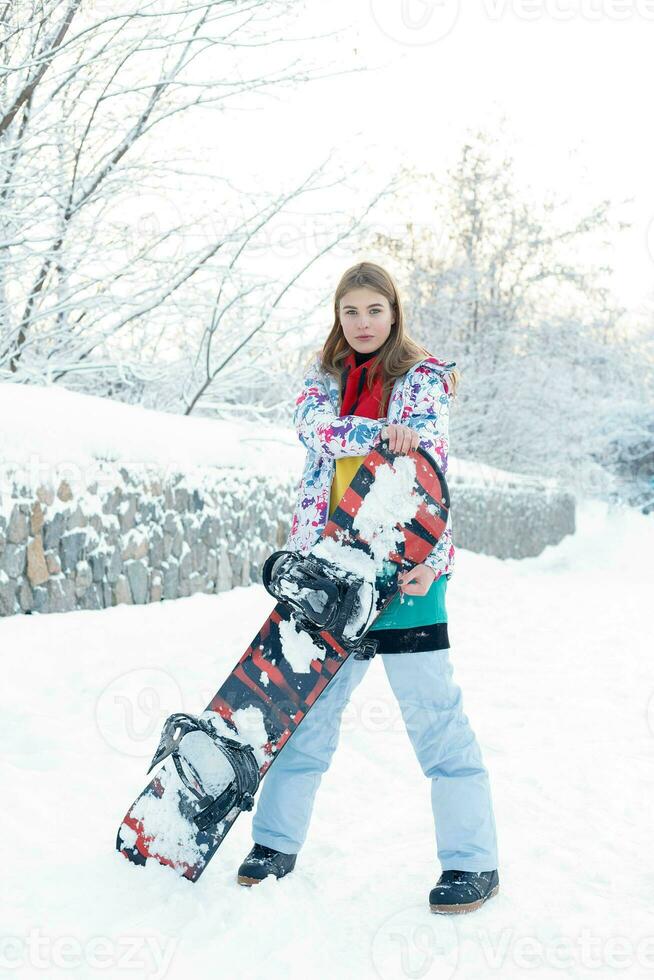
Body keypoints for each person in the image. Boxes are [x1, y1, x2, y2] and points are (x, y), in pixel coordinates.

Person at [237, 261, 500, 914]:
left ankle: (473, 862)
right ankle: (274, 844)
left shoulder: (421, 380)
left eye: (374, 311)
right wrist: (376, 433)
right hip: (329, 574)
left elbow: (433, 468)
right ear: (338, 315)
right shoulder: (321, 378)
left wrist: (433, 558)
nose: (362, 324)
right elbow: (313, 432)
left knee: (436, 721)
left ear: (394, 313)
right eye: (350, 311)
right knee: (306, 720)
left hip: (406, 577)